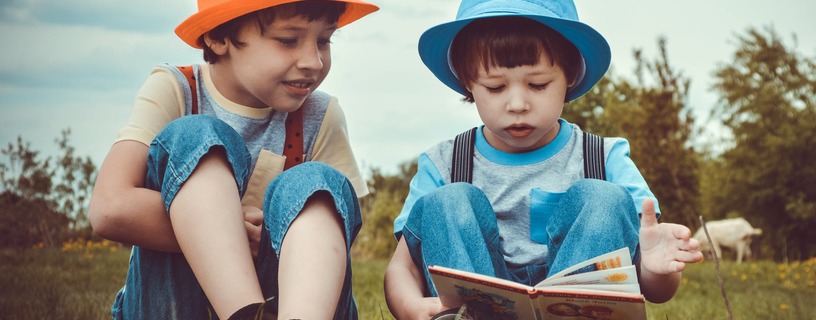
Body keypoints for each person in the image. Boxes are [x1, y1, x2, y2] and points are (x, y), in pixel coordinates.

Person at [383, 1, 704, 319]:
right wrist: (411, 307)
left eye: (538, 84)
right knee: (447, 202)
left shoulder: (604, 159)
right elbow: (403, 268)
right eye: (495, 88)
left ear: (570, 78)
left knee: (604, 198)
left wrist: (652, 267)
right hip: (478, 308)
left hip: (576, 308)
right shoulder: (445, 164)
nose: (518, 104)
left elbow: (657, 291)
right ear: (469, 83)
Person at [88, 0, 378, 319]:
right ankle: (244, 313)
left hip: (285, 297)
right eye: (287, 40)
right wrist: (224, 230)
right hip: (174, 304)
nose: (314, 62)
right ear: (218, 37)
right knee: (196, 137)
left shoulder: (320, 116)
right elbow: (110, 207)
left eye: (323, 40)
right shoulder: (177, 90)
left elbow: (331, 238)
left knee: (317, 183)